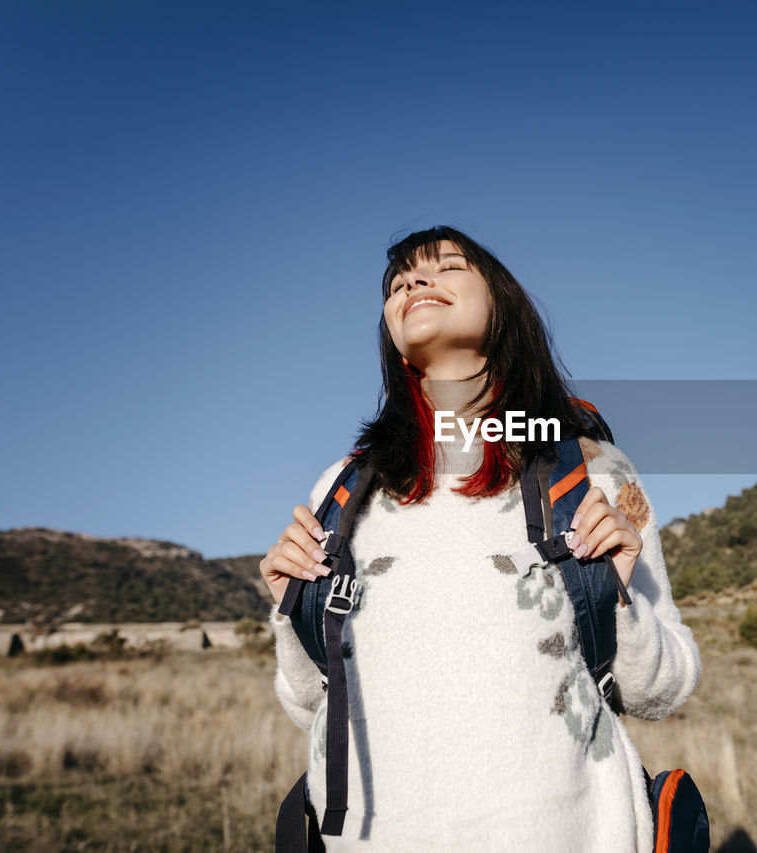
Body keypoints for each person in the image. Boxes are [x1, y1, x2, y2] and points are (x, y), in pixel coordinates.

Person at [258, 226, 702, 851]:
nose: (412, 283)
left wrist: (621, 596)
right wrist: (291, 611)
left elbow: (664, 689)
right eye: (398, 282)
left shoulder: (590, 469)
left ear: (503, 306)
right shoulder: (343, 488)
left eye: (446, 267)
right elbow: (312, 708)